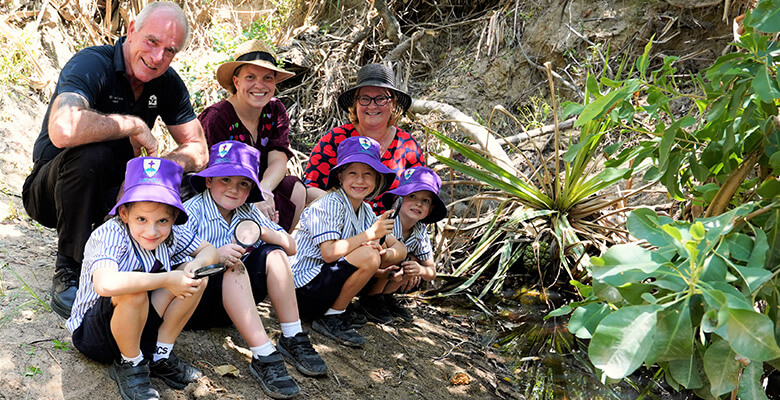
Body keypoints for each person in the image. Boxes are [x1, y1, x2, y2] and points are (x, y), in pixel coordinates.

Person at [22, 1, 209, 319]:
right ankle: (69, 269)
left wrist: (152, 172)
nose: (157, 58)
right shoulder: (92, 64)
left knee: (187, 178)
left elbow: (199, 149)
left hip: (115, 195)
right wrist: (132, 125)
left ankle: (156, 265)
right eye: (152, 42)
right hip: (51, 193)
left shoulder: (167, 83)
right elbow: (63, 129)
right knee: (93, 152)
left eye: (169, 51)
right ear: (133, 29)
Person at [65, 157, 219, 400]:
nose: (152, 231)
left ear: (173, 218)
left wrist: (195, 265)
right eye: (142, 219)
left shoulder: (170, 234)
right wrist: (168, 279)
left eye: (163, 221)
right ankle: (131, 362)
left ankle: (159, 354)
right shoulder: (110, 234)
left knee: (195, 276)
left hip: (139, 322)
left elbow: (210, 251)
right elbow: (106, 284)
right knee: (133, 288)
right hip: (96, 335)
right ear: (125, 213)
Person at [183, 141, 326, 399]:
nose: (233, 189)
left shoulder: (249, 211)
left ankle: (293, 336)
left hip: (238, 301)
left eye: (243, 183)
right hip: (197, 303)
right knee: (231, 264)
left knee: (274, 253)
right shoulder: (190, 212)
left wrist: (261, 231)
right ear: (208, 181)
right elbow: (176, 265)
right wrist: (213, 255)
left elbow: (291, 246)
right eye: (225, 179)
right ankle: (264, 355)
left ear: (251, 189)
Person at [291, 136, 407, 348]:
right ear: (340, 176)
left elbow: (400, 248)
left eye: (368, 174)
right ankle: (331, 317)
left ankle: (336, 309)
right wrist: (370, 237)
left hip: (324, 285)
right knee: (368, 256)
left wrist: (386, 255)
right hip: (302, 290)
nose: (360, 181)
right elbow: (329, 253)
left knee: (373, 257)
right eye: (353, 173)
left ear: (377, 180)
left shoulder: (367, 211)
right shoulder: (330, 204)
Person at [198, 39, 305, 233]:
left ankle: (280, 246)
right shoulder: (216, 118)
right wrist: (252, 197)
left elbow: (278, 160)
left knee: (296, 188)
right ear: (236, 82)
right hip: (226, 192)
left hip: (263, 188)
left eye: (267, 78)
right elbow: (215, 176)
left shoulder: (274, 110)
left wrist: (263, 191)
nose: (259, 85)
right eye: (250, 77)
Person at [303, 63, 425, 213]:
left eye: (381, 99)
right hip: (341, 228)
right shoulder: (335, 139)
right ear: (355, 103)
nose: (372, 106)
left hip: (392, 231)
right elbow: (309, 188)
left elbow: (421, 196)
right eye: (365, 99)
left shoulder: (408, 146)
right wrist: (351, 213)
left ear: (393, 104)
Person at [357, 167, 446, 324]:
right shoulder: (386, 222)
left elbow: (431, 272)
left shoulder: (420, 232)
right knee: (396, 254)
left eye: (425, 201)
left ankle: (385, 298)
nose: (418, 203)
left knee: (411, 261)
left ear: (430, 209)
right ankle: (371, 298)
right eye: (412, 196)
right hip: (368, 273)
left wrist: (420, 269)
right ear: (398, 199)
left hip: (390, 276)